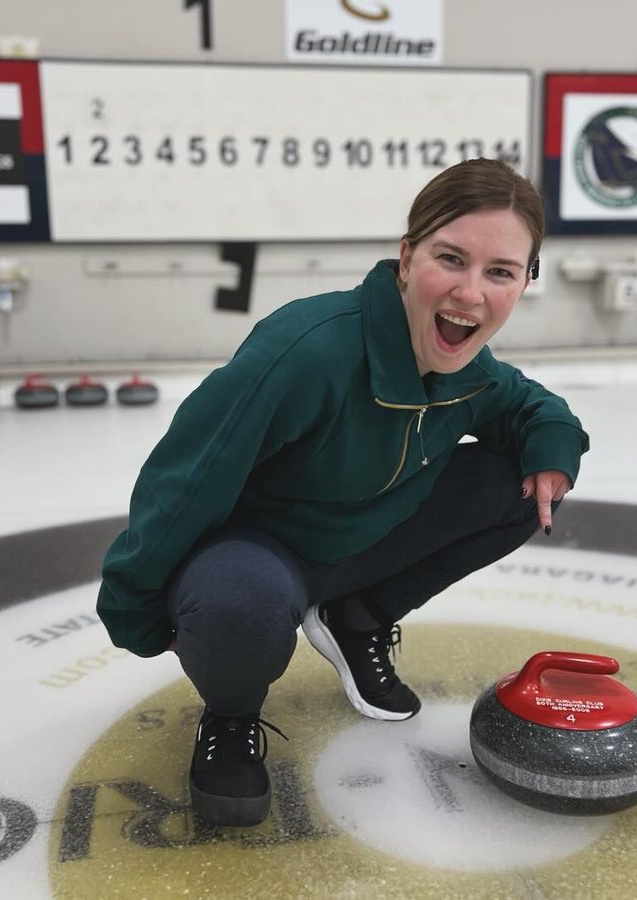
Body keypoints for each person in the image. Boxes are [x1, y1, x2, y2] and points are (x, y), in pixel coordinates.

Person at [98, 158, 589, 827]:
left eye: (500, 272)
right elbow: (185, 478)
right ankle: (233, 715)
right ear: (408, 255)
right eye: (451, 258)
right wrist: (135, 606)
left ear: (525, 281)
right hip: (257, 554)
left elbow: (538, 409)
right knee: (238, 606)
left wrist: (555, 452)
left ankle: (356, 616)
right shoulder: (309, 349)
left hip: (359, 547)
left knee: (526, 482)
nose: (471, 293)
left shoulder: (474, 372)